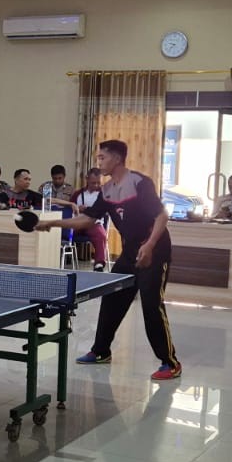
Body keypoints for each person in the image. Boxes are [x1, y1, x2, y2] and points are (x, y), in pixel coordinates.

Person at [38, 140, 180, 379]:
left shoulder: (140, 183)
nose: (99, 162)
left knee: (151, 305)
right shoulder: (107, 190)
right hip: (129, 252)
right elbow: (88, 219)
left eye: (102, 157)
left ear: (117, 158)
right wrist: (53, 223)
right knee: (112, 298)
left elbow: (162, 215)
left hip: (155, 251)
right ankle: (101, 351)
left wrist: (149, 245)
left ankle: (170, 362)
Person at [70, 168, 109, 271]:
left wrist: (87, 210)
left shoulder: (104, 194)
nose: (96, 185)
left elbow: (106, 211)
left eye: (98, 183)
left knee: (101, 235)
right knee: (62, 232)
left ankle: (99, 264)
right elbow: (69, 208)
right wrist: (77, 209)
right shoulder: (78, 194)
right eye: (93, 183)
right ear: (87, 179)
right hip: (77, 223)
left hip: (94, 224)